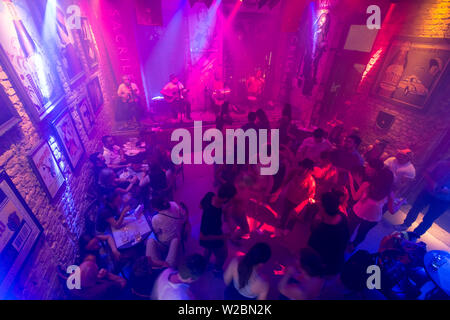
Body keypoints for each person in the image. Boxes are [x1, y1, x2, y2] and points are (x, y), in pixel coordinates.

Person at [395, 158, 450, 237]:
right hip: (429, 191)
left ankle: (415, 235)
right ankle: (405, 224)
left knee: (429, 218)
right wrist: (431, 182)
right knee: (415, 208)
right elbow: (426, 172)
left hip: (444, 200)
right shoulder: (441, 163)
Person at [347, 166, 395, 251]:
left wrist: (351, 182)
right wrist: (401, 203)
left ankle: (344, 242)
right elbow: (392, 211)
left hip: (358, 212)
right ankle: (353, 245)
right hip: (373, 218)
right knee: (362, 233)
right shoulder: (389, 193)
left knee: (349, 229)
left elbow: (355, 198)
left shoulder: (367, 185)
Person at [308, 191, 349, 275]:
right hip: (337, 264)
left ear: (323, 208)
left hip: (322, 267)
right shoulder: (343, 218)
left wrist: (316, 219)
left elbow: (311, 249)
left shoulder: (320, 230)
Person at [199, 184, 237, 273]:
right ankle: (217, 270)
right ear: (226, 199)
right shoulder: (212, 214)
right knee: (223, 255)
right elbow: (203, 237)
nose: (233, 200)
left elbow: (200, 206)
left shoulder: (210, 195)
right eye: (232, 198)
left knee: (208, 249)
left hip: (212, 232)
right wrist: (224, 237)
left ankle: (204, 263)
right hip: (213, 236)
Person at [146, 197, 188, 268]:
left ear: (155, 208)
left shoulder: (156, 218)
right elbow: (184, 217)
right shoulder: (173, 204)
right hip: (178, 234)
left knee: (150, 239)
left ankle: (156, 264)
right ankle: (160, 264)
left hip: (166, 241)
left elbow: (157, 232)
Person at [279, 159, 316, 230]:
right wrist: (279, 191)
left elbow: (310, 196)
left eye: (305, 168)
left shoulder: (311, 182)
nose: (302, 169)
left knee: (293, 217)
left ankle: (288, 230)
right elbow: (286, 181)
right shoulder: (294, 173)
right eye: (302, 167)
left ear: (309, 170)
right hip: (289, 197)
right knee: (285, 212)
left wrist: (302, 206)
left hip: (298, 203)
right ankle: (281, 224)